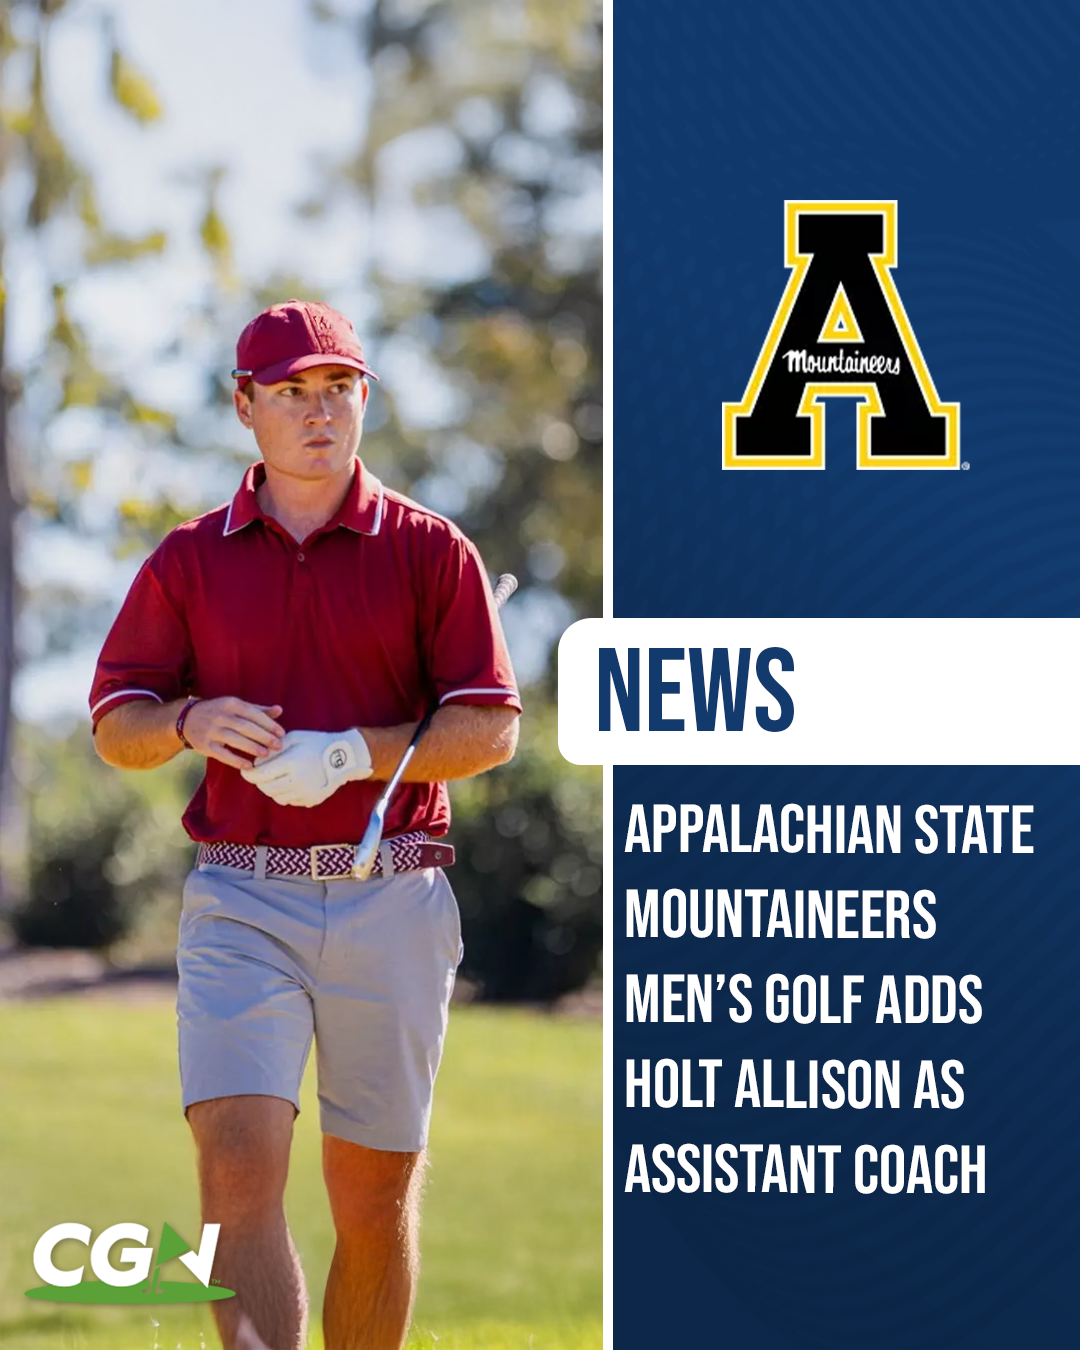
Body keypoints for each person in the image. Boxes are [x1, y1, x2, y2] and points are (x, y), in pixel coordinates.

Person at [89, 299, 521, 1350]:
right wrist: (190, 718)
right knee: (236, 1170)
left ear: (364, 399)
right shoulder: (189, 561)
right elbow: (117, 725)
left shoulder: (432, 551)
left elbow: (489, 727)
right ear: (245, 406)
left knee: (372, 1203)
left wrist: (349, 753)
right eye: (290, 392)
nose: (317, 412)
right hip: (242, 895)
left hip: (395, 897)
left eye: (338, 389)